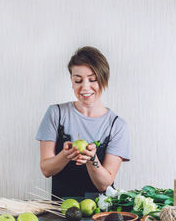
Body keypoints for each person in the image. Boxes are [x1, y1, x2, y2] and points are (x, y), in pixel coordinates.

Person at [36, 46, 130, 199]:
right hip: (60, 210)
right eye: (78, 80)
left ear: (103, 79)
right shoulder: (56, 114)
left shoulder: (117, 126)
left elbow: (104, 184)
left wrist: (91, 159)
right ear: (72, 82)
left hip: (102, 213)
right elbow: (46, 169)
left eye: (92, 79)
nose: (85, 87)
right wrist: (65, 155)